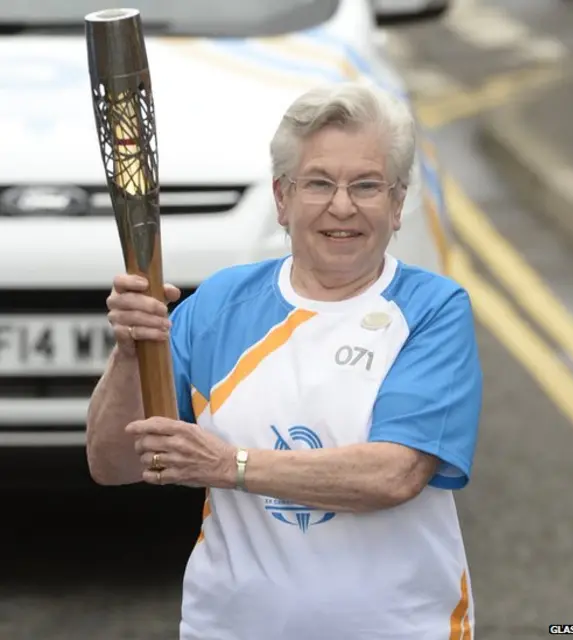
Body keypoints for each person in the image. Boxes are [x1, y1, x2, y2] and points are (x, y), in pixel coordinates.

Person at [86, 81, 483, 640]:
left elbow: (394, 474)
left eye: (366, 186)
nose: (341, 206)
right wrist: (130, 352)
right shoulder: (220, 305)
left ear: (396, 205)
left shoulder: (431, 310)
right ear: (281, 198)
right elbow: (115, 463)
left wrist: (231, 466)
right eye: (318, 183)